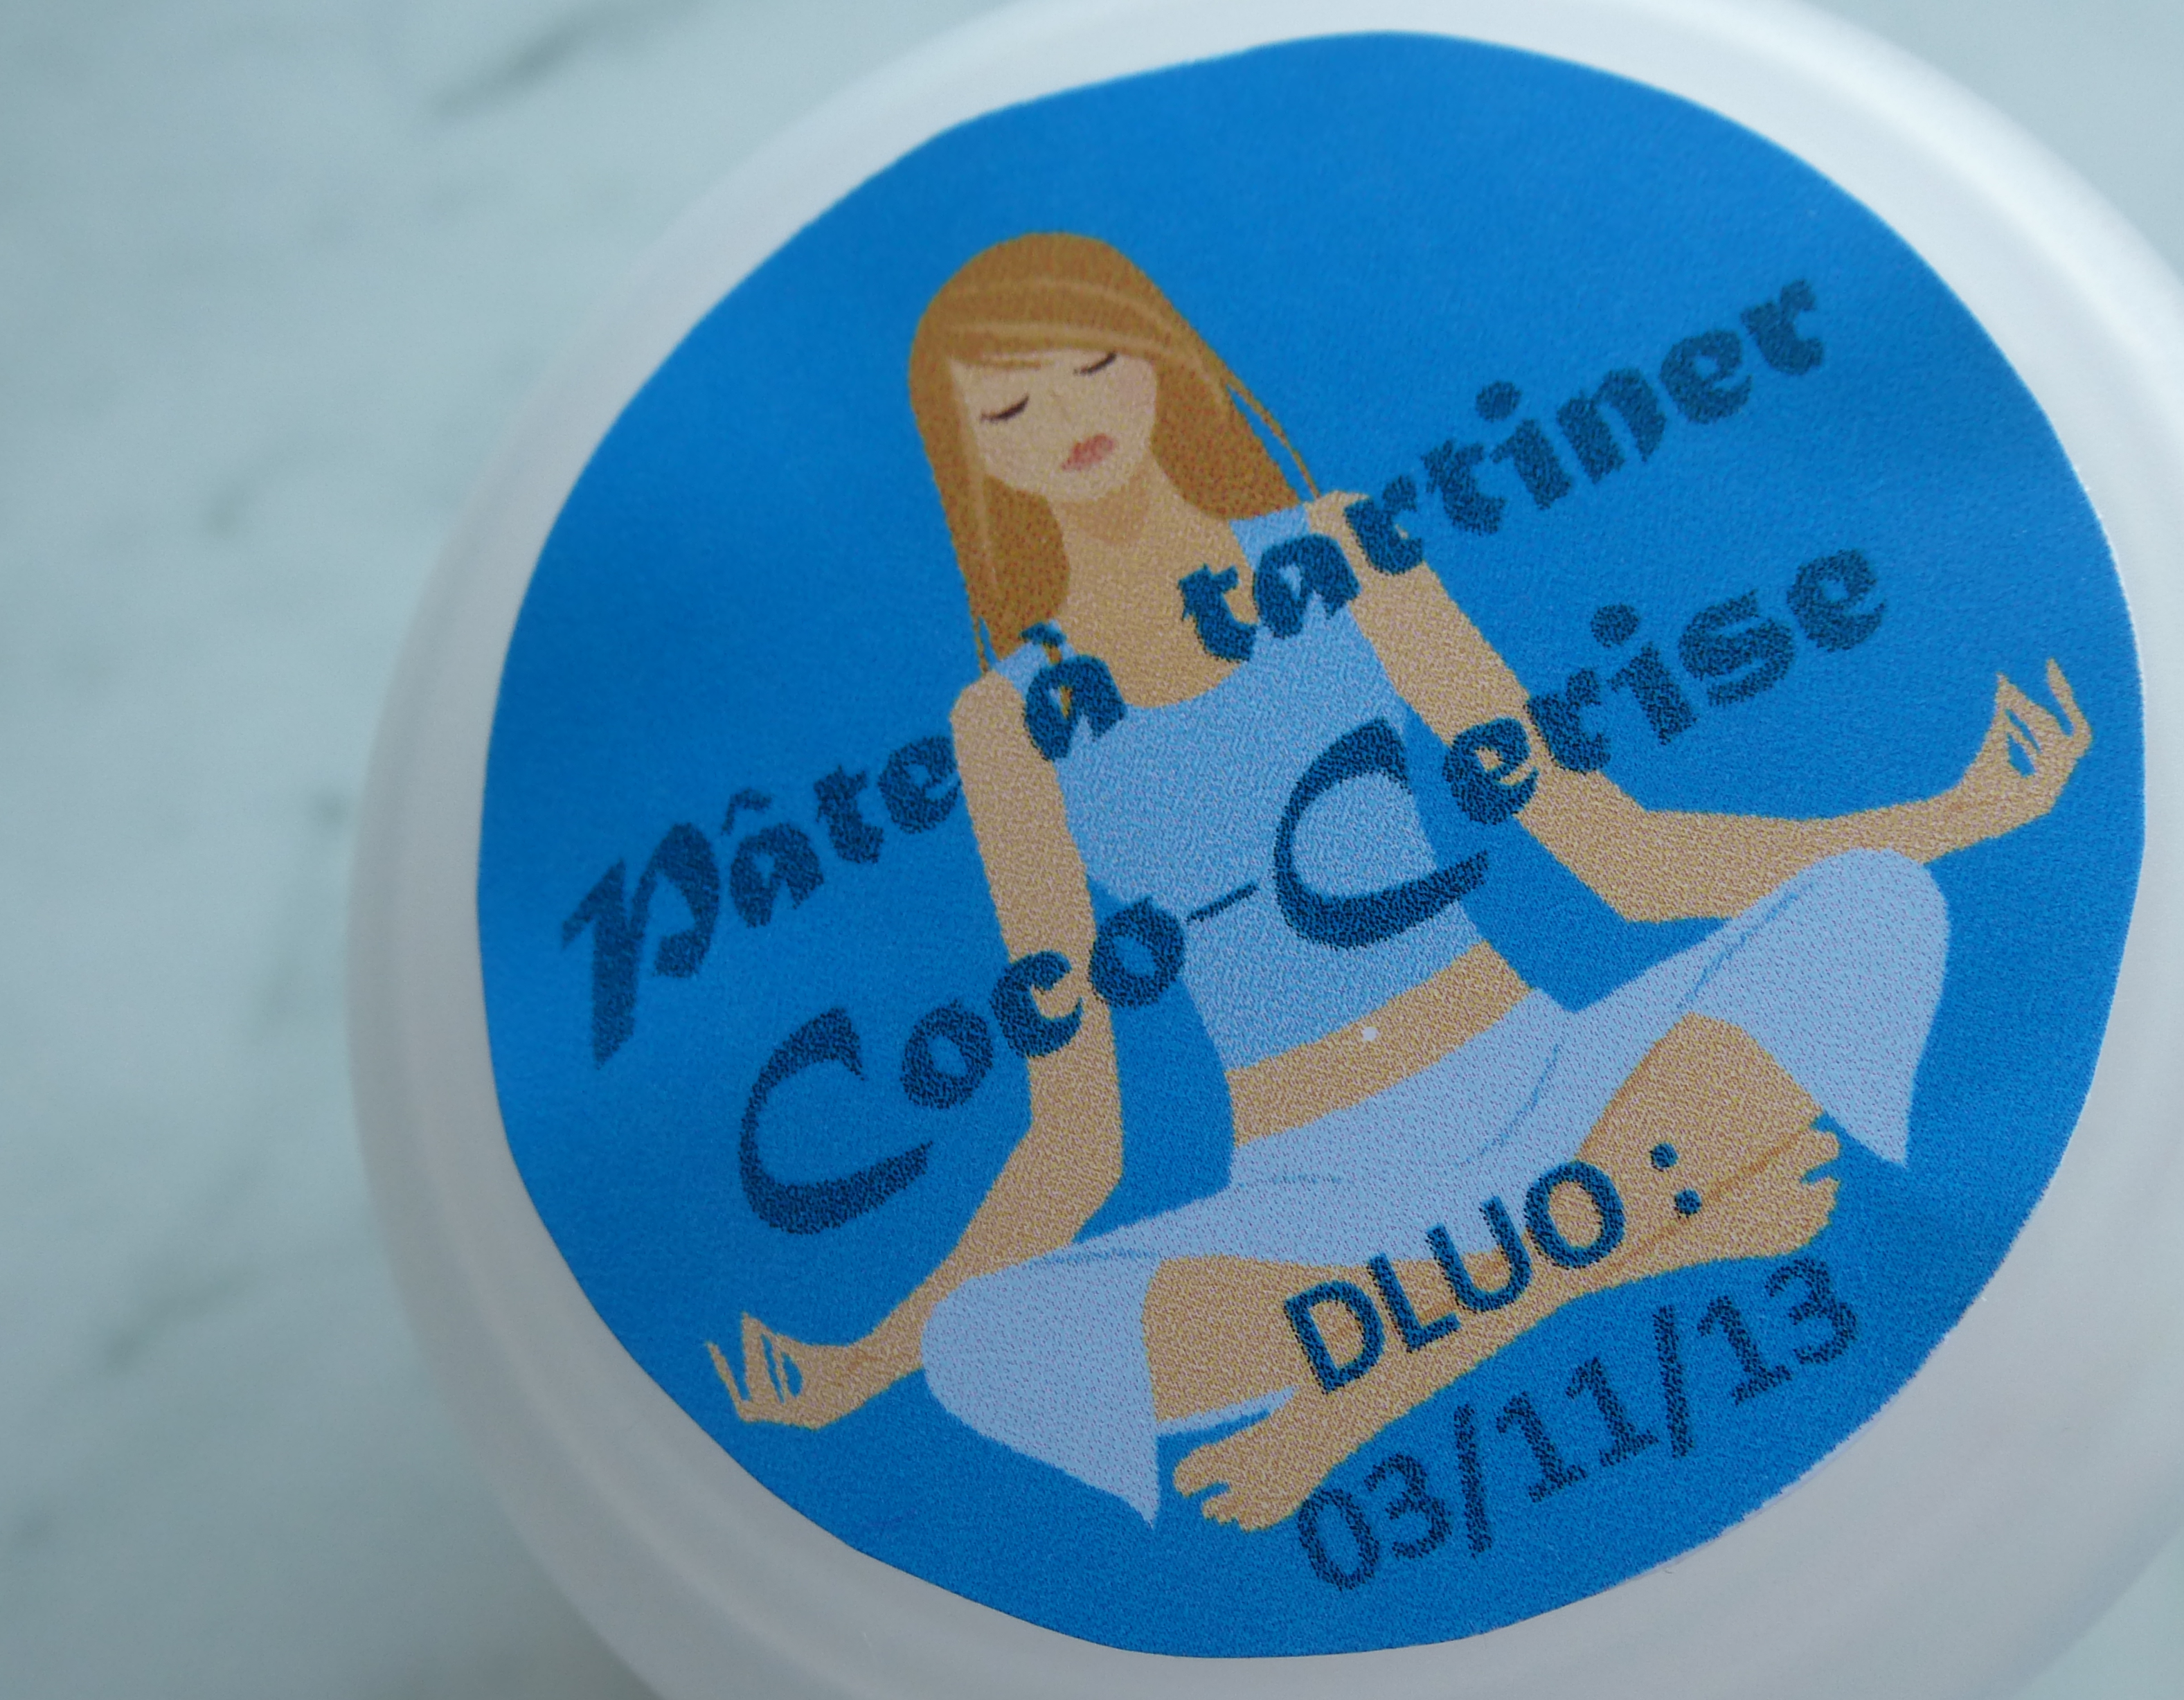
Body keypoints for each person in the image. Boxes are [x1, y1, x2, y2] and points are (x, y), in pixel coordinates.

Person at [713, 231, 2089, 1531]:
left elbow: (1618, 856)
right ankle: (1634, 1230)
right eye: (1009, 410)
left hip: (1549, 1082)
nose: (1067, 418)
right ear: (972, 462)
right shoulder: (1006, 726)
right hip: (1311, 1204)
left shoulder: (1343, 551)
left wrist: (1950, 819)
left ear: (1161, 363)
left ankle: (1389, 1364)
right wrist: (868, 1363)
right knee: (984, 1344)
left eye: (1093, 364)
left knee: (1868, 909)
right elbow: (1079, 1135)